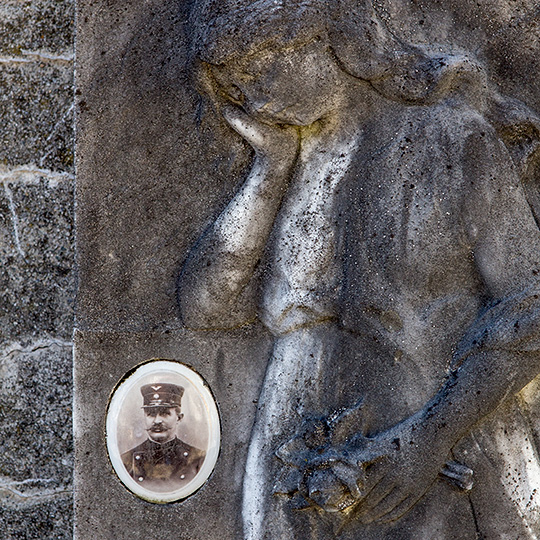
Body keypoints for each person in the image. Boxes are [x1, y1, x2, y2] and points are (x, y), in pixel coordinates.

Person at [179, 0, 540, 537]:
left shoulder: (453, 142)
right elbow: (204, 307)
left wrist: (428, 439)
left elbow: (530, 310)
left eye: (262, 67)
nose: (255, 98)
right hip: (290, 477)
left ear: (331, 38)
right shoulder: (289, 162)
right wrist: (269, 167)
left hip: (432, 465)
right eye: (236, 87)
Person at [121, 383, 205, 491]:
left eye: (164, 413)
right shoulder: (127, 461)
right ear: (144, 418)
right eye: (151, 414)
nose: (157, 421)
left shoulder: (196, 459)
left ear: (179, 418)